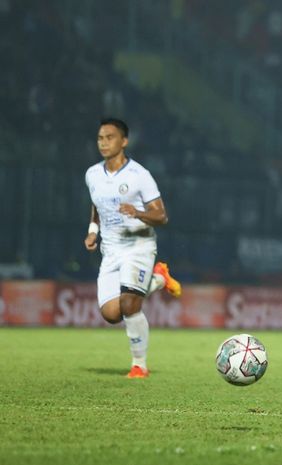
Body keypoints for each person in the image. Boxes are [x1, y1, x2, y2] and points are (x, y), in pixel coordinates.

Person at [84, 118, 181, 379]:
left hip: (139, 245)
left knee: (129, 304)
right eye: (100, 138)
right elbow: (97, 206)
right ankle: (159, 278)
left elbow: (161, 216)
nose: (104, 143)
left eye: (110, 137)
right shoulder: (92, 174)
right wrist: (93, 232)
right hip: (111, 250)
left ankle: (140, 365)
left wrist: (137, 212)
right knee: (111, 314)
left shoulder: (139, 176)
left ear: (124, 141)